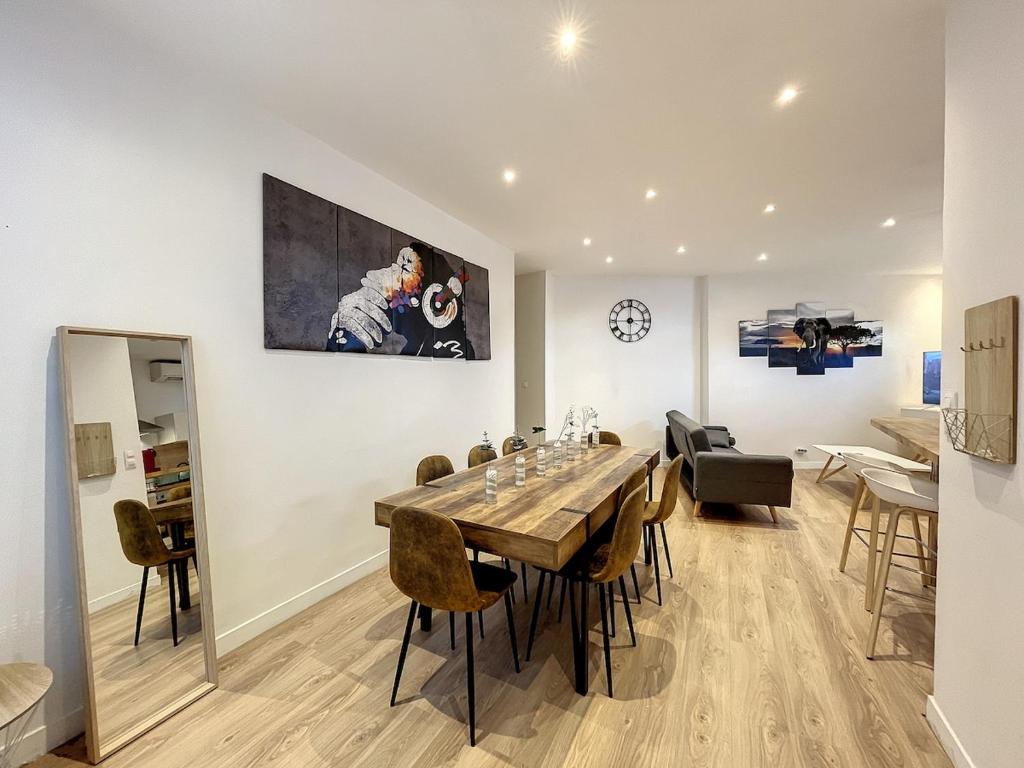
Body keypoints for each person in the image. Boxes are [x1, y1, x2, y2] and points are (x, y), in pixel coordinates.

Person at [326, 241, 473, 357]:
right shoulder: (415, 349)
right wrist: (343, 334)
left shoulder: (453, 350)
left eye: (405, 269)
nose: (390, 273)